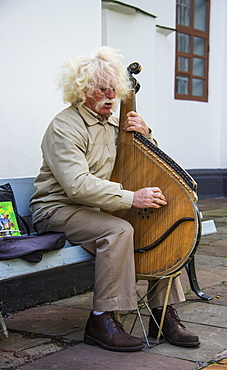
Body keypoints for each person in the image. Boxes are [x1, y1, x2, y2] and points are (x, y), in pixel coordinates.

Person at [30, 46, 200, 352]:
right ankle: (102, 319)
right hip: (58, 208)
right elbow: (76, 186)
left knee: (164, 224)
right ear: (82, 90)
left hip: (100, 207)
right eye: (101, 89)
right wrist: (132, 197)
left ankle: (162, 314)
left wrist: (146, 135)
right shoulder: (64, 126)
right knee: (119, 230)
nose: (110, 96)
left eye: (113, 89)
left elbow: (147, 162)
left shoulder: (113, 123)